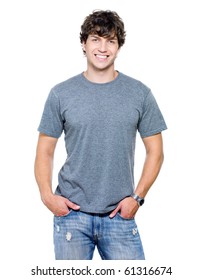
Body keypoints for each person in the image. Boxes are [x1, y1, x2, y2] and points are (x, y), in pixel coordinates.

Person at [34, 10, 167, 260]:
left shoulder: (140, 94)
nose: (103, 47)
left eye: (111, 40)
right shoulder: (61, 93)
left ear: (118, 47)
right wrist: (47, 197)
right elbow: (45, 150)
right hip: (71, 215)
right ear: (83, 44)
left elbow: (156, 152)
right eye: (96, 39)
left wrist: (137, 199)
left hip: (120, 216)